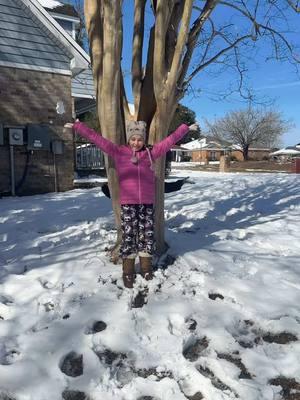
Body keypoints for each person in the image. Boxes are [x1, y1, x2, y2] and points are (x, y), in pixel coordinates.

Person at [73, 119, 198, 288]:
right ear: (128, 139)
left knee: (147, 235)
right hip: (129, 204)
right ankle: (128, 271)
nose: (136, 142)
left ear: (144, 140)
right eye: (133, 139)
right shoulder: (119, 152)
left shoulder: (151, 153)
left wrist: (185, 128)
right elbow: (97, 139)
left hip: (147, 203)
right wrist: (78, 126)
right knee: (129, 237)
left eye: (139, 139)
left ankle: (146, 267)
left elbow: (169, 141)